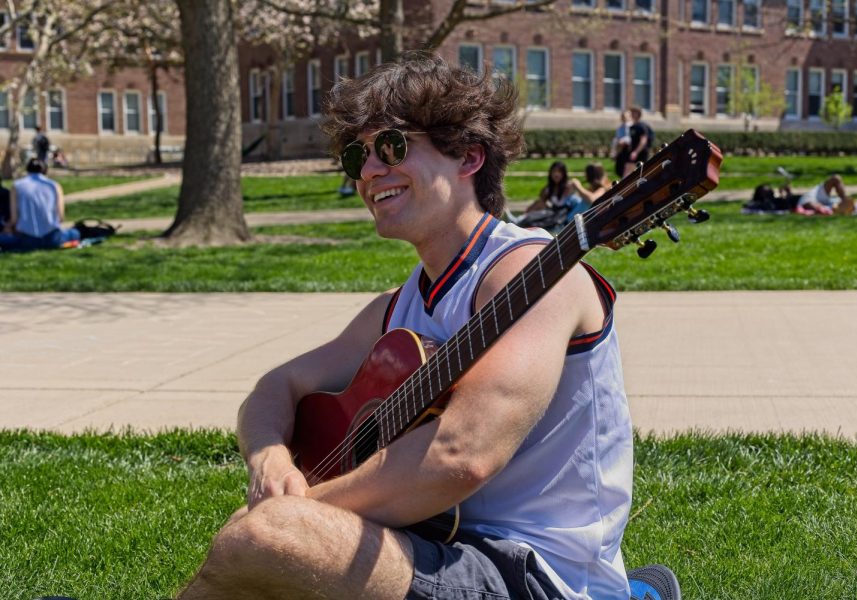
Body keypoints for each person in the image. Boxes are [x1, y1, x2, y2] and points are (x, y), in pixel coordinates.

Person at [176, 53, 671, 600]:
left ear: (469, 157)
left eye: (389, 147)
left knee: (264, 537)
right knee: (263, 540)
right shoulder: (396, 308)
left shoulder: (537, 275)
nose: (367, 172)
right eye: (355, 157)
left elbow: (460, 458)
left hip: (538, 575)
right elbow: (275, 387)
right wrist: (268, 457)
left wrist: (294, 513)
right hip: (430, 542)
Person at [0, 158, 80, 252]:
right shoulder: (54, 185)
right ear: (45, 170)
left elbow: (14, 219)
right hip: (52, 238)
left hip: (26, 239)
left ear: (27, 169)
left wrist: (7, 227)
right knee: (75, 233)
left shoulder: (17, 186)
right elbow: (61, 217)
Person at [623, 106, 653, 177]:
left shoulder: (641, 126)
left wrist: (636, 152)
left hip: (640, 153)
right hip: (633, 152)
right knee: (630, 171)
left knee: (640, 172)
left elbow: (643, 140)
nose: (631, 114)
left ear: (638, 114)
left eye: (633, 112)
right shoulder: (632, 126)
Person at [612, 110, 632, 178]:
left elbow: (631, 137)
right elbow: (616, 139)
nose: (624, 118)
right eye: (623, 117)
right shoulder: (620, 128)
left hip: (628, 151)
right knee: (619, 170)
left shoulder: (632, 127)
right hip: (620, 151)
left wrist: (623, 141)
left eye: (625, 117)